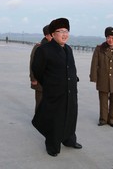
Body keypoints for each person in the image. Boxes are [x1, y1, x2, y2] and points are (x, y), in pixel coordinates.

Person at [31, 18, 82, 157]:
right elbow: (37, 70)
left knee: (71, 115)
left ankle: (69, 140)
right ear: (53, 34)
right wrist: (49, 83)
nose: (64, 34)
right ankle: (52, 145)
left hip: (70, 91)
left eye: (66, 31)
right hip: (54, 92)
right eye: (61, 31)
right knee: (55, 119)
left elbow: (71, 68)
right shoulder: (44, 50)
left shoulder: (68, 49)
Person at [90, 27, 113, 128]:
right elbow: (94, 64)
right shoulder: (99, 49)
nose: (110, 40)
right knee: (103, 100)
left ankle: (112, 120)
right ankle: (103, 119)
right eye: (108, 37)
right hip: (103, 78)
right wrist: (93, 77)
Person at [29, 25, 52, 112]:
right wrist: (33, 78)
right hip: (40, 80)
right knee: (40, 101)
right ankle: (38, 120)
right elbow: (33, 63)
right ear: (46, 36)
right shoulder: (39, 47)